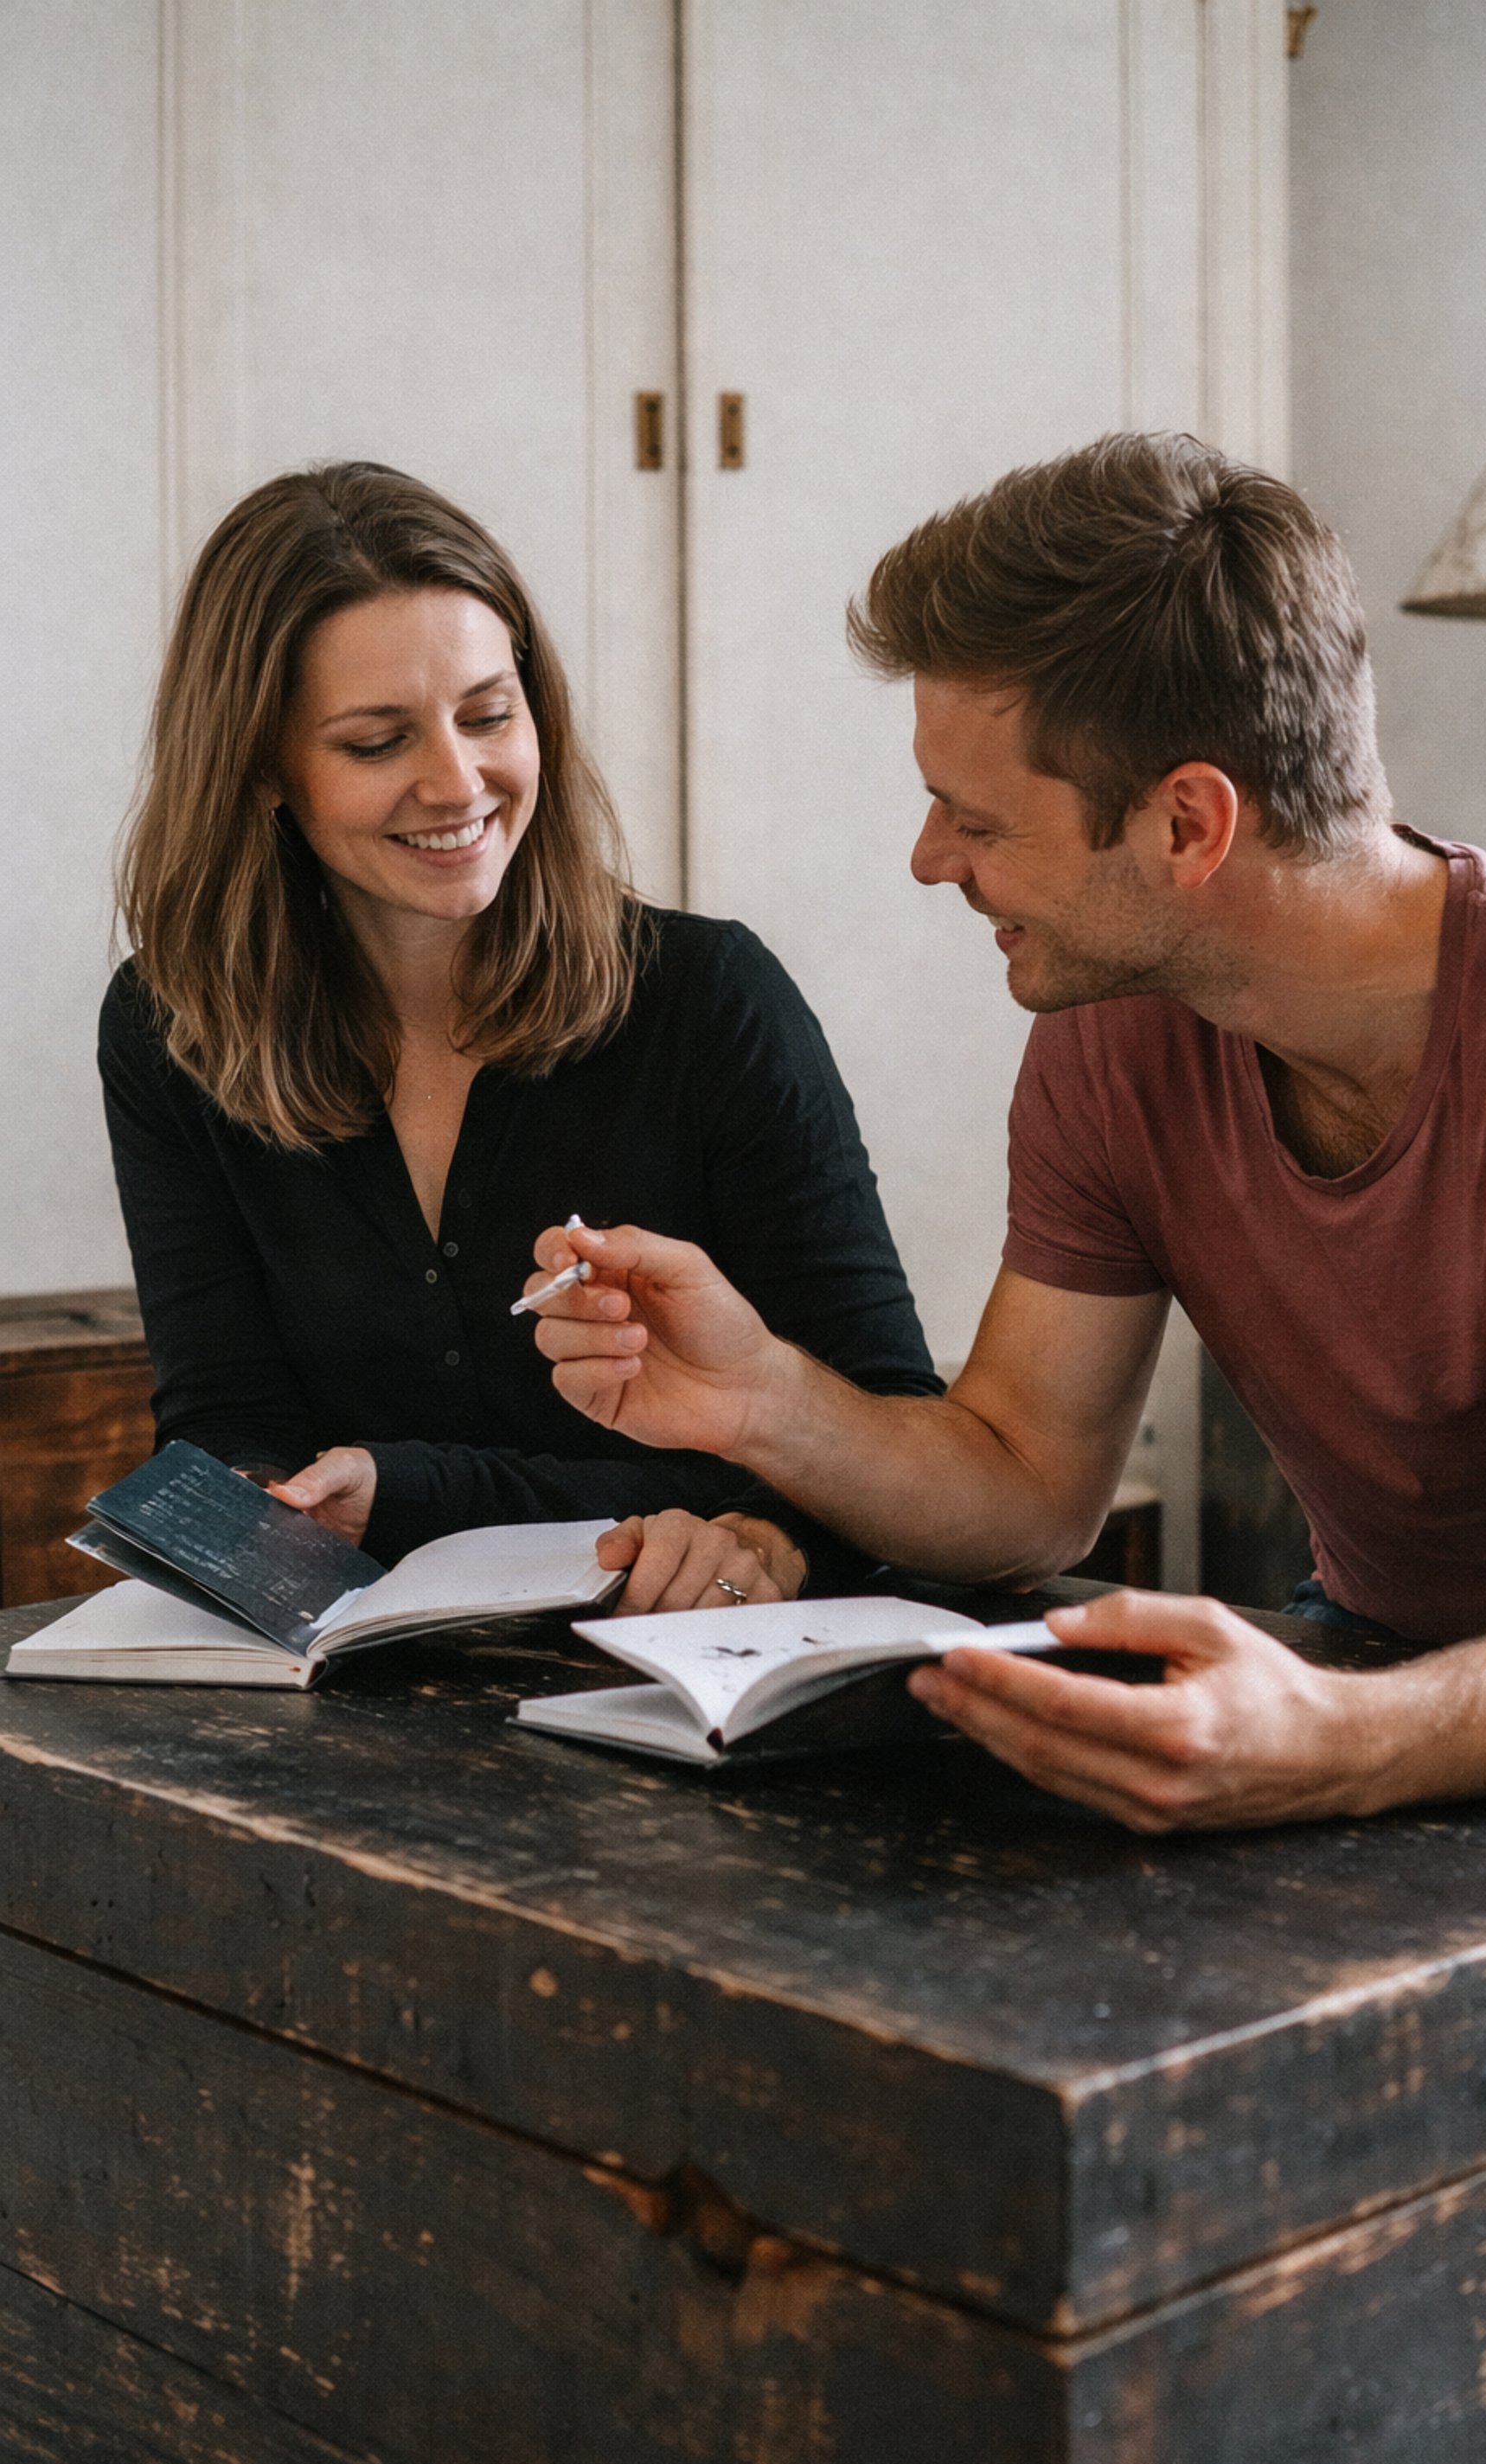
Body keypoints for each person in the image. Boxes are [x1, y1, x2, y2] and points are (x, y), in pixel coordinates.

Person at [522, 428, 1486, 1821]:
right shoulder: (1110, 1037)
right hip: (1373, 1695)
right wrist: (763, 1395)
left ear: (1189, 825)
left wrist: (1344, 1739)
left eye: (976, 819)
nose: (931, 861)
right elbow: (1025, 1482)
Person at [102, 460, 939, 1610]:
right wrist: (266, 1510)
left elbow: (888, 1419)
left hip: (692, 1667)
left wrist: (763, 1536)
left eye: (490, 715)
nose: (459, 782)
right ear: (260, 772)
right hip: (372, 1692)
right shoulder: (170, 1027)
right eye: (374, 742)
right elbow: (229, 1423)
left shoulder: (710, 1000)